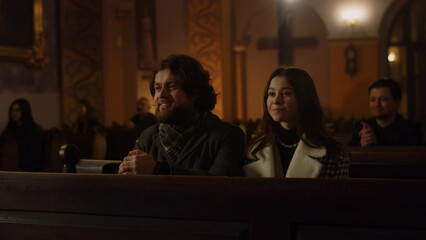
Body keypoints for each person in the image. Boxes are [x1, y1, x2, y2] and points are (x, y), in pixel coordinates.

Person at [118, 54, 246, 176]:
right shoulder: (149, 136)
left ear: (194, 92)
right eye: (158, 88)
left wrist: (159, 169)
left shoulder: (228, 135)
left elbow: (222, 187)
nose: (161, 95)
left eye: (172, 86)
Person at [244, 67, 349, 178]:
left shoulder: (333, 153)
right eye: (271, 93)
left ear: (304, 98)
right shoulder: (254, 149)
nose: (276, 100)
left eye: (286, 93)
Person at [350, 79, 423, 147]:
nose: (377, 104)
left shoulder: (411, 129)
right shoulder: (361, 127)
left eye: (383, 99)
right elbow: (347, 155)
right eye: (373, 99)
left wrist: (376, 145)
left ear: (396, 103)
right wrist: (361, 144)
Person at [0, 98, 44, 171]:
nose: (14, 113)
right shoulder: (9, 129)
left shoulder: (32, 131)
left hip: (27, 170)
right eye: (12, 110)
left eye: (18, 110)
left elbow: (35, 155)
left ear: (24, 111)